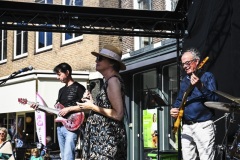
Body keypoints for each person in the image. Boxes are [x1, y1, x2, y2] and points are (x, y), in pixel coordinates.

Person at [74, 44, 127, 159]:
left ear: (112, 63)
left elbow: (118, 114)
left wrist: (92, 107)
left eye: (100, 59)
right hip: (102, 140)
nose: (96, 61)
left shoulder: (113, 81)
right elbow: (106, 107)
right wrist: (92, 102)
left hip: (107, 140)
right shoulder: (109, 81)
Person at [170, 48, 218, 160]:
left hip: (203, 125)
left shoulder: (207, 76)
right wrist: (174, 109)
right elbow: (178, 101)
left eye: (187, 63)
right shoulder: (184, 81)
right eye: (183, 64)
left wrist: (200, 86)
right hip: (186, 126)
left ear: (197, 62)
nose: (185, 66)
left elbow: (215, 99)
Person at [31, 62, 86, 160]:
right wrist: (39, 108)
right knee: (64, 157)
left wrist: (69, 109)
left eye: (59, 74)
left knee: (68, 156)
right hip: (60, 127)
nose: (57, 77)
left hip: (72, 126)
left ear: (67, 72)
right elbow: (56, 111)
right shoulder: (61, 90)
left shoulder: (79, 88)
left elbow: (87, 106)